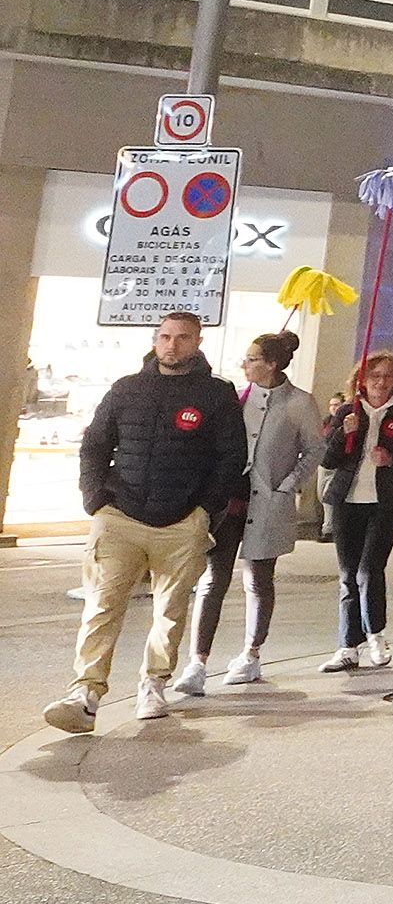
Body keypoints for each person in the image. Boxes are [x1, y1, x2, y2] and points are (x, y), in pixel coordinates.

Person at [42, 312, 243, 734]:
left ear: (198, 341)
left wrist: (205, 511)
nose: (172, 345)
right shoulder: (126, 390)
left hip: (183, 521)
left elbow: (231, 459)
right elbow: (95, 446)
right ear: (155, 341)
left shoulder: (217, 395)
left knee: (170, 611)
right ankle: (86, 693)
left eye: (182, 338)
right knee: (102, 604)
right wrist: (96, 500)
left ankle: (154, 683)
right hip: (119, 516)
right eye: (165, 337)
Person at [176, 331, 311, 695]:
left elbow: (315, 450)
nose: (245, 364)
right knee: (211, 581)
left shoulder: (300, 403)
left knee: (258, 580)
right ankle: (197, 663)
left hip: (267, 504)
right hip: (227, 503)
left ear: (272, 363)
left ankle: (251, 654)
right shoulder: (236, 398)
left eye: (252, 359)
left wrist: (288, 483)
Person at [318, 351, 393, 673]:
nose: (380, 381)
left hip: (385, 502)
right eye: (374, 375)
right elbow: (327, 460)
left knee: (369, 570)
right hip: (347, 501)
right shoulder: (349, 411)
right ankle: (348, 645)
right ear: (362, 379)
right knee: (348, 575)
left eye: (388, 376)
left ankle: (375, 633)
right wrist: (343, 433)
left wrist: (391, 459)